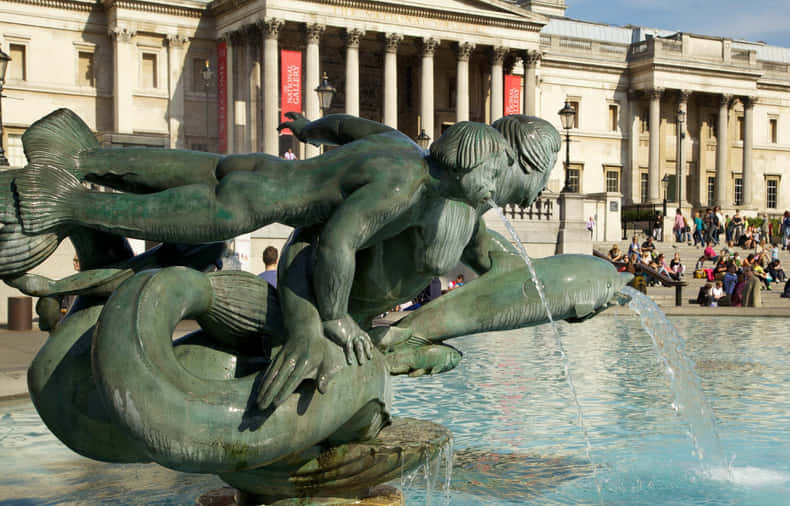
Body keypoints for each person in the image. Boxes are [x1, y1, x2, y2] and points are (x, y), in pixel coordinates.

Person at [16, 109, 563, 409]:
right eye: (493, 184)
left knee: (178, 169)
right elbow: (336, 243)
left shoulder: (400, 147)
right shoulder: (407, 190)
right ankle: (58, 200)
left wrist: (306, 130)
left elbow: (348, 126)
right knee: (155, 215)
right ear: (474, 170)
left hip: (257, 170)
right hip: (249, 207)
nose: (493, 198)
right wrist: (330, 316)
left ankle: (78, 157)